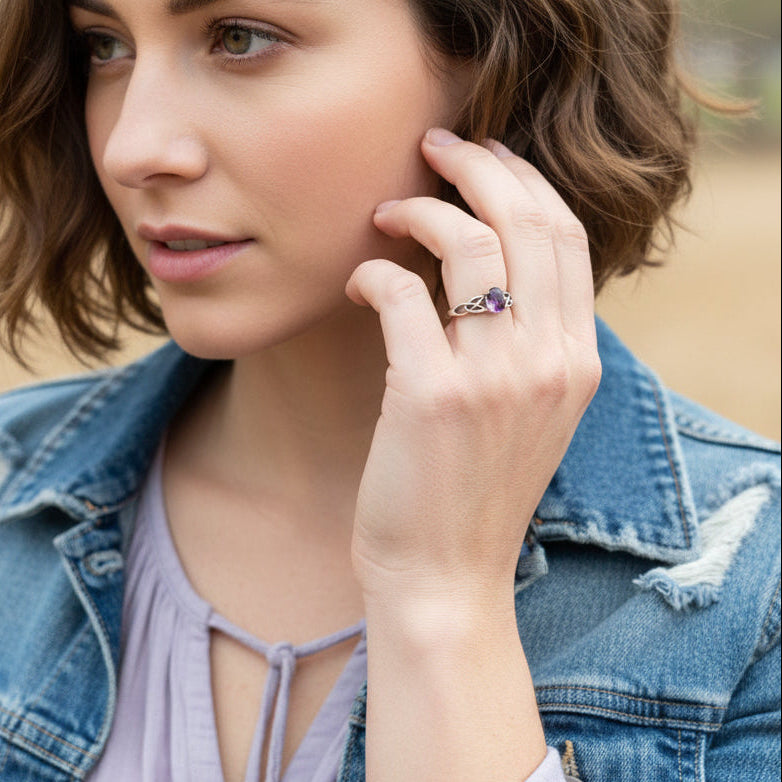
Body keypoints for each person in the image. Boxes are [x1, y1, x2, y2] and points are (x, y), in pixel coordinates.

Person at [0, 0, 779, 779]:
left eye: (239, 38)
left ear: (502, 60)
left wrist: (443, 603)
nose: (133, 148)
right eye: (104, 45)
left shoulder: (752, 594)